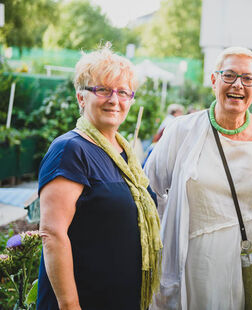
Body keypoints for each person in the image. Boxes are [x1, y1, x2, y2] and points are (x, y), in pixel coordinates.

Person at [143, 46, 252, 310]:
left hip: (250, 270)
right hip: (194, 267)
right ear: (214, 80)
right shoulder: (182, 131)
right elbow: (149, 192)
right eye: (229, 76)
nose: (238, 84)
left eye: (247, 78)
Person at [37, 44, 162, 310]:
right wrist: (70, 306)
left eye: (123, 92)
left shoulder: (125, 155)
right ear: (82, 98)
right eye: (103, 90)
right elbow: (52, 233)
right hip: (84, 300)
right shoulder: (70, 150)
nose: (114, 100)